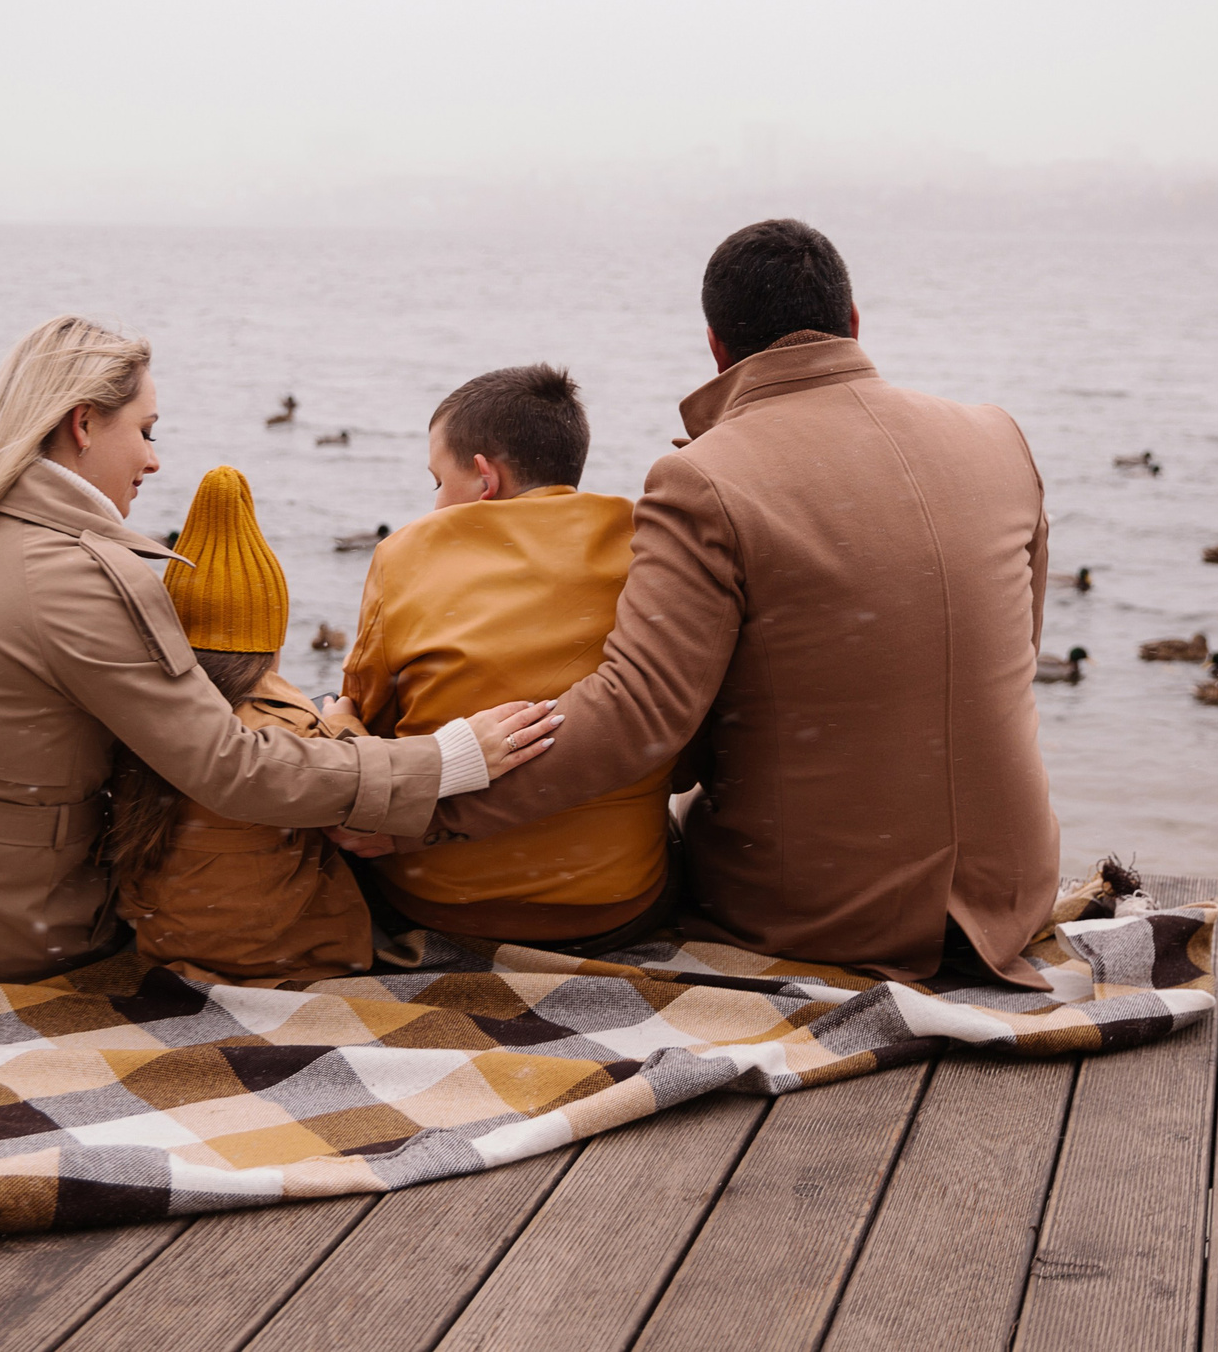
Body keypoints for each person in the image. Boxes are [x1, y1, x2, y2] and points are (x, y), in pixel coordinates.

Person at [0, 315, 560, 983]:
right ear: (83, 423)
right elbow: (230, 768)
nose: (156, 461)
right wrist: (445, 760)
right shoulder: (82, 574)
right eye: (147, 431)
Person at [349, 220, 1061, 988]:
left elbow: (637, 714)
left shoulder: (706, 477)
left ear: (717, 348)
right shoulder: (999, 435)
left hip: (820, 912)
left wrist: (424, 808)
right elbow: (1017, 648)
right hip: (1013, 893)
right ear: (853, 322)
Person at [339, 365, 675, 952]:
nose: (435, 503)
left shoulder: (406, 554)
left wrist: (337, 722)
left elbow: (368, 717)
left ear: (484, 477)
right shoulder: (646, 543)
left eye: (437, 482)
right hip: (618, 905)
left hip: (439, 902)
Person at [106, 465, 375, 983]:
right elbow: (360, 810)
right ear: (271, 643)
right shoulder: (292, 728)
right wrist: (343, 724)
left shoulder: (136, 718)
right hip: (287, 959)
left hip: (166, 946)